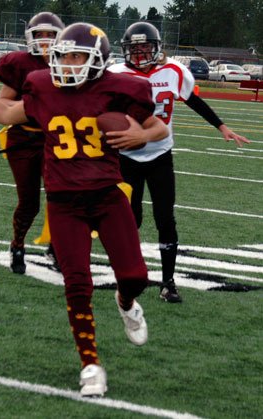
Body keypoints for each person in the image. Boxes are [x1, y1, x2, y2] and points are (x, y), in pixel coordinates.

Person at [0, 22, 169, 397]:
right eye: (63, 56)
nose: (68, 63)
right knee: (76, 284)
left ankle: (126, 302)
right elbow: (5, 115)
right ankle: (90, 365)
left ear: (98, 60)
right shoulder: (43, 87)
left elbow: (158, 127)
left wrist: (143, 136)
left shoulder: (122, 88)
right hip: (64, 202)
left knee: (135, 276)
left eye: (77, 56)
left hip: (108, 196)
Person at [108, 22, 251, 303]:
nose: (139, 53)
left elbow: (193, 100)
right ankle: (129, 273)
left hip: (160, 154)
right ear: (126, 50)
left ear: (156, 48)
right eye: (134, 48)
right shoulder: (115, 74)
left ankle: (168, 281)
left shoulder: (174, 70)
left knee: (165, 218)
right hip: (125, 156)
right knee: (129, 218)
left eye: (144, 47)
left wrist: (221, 126)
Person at [0, 12, 64, 274]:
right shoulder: (21, 63)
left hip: (56, 139)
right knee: (29, 202)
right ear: (30, 38)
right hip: (23, 138)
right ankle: (18, 244)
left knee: (60, 198)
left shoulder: (68, 61)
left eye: (50, 34)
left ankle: (57, 248)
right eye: (40, 34)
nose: (45, 40)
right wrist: (32, 107)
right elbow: (3, 103)